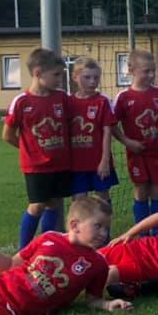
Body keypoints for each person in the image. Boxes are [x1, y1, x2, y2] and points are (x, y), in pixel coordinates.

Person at [0, 197, 131, 315]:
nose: (104, 233)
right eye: (98, 226)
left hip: (12, 309)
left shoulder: (98, 265)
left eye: (106, 227)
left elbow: (92, 300)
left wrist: (108, 304)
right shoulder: (49, 238)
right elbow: (10, 265)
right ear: (75, 225)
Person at [2, 47, 72, 248]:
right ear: (38, 73)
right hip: (36, 166)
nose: (60, 80)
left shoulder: (61, 98)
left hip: (60, 163)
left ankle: (46, 246)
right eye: (56, 75)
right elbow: (7, 135)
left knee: (55, 204)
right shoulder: (22, 101)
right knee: (37, 205)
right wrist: (30, 151)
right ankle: (23, 250)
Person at [113, 50, 158, 231]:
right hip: (137, 153)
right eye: (146, 71)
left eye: (153, 70)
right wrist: (127, 142)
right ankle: (142, 233)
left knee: (157, 190)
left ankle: (157, 233)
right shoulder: (123, 97)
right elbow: (112, 125)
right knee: (141, 190)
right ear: (131, 70)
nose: (151, 75)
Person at [68, 57, 119, 206]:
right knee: (79, 200)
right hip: (76, 163)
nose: (92, 82)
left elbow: (107, 132)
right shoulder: (67, 102)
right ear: (75, 77)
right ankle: (78, 223)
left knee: (102, 197)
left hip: (98, 161)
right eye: (87, 77)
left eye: (96, 78)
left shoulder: (102, 101)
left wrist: (105, 160)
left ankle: (106, 222)